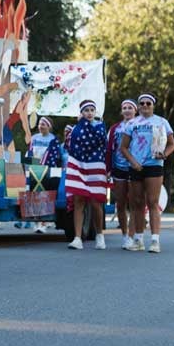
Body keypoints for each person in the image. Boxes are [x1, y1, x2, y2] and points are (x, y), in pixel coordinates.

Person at [120, 93, 174, 253]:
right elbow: (123, 147)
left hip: (154, 165)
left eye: (148, 103)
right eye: (142, 103)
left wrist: (164, 154)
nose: (145, 106)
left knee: (152, 202)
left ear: (153, 105)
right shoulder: (132, 123)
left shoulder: (162, 122)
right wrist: (133, 162)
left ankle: (155, 240)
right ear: (138, 106)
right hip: (136, 166)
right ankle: (138, 239)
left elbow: (172, 144)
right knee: (137, 203)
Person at [66, 100, 108, 250]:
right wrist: (79, 126)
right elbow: (69, 145)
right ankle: (77, 238)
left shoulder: (100, 127)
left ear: (95, 112)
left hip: (96, 166)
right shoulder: (76, 128)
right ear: (81, 113)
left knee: (96, 203)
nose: (89, 113)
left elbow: (101, 142)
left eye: (92, 110)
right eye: (86, 110)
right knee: (79, 201)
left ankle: (100, 235)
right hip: (79, 166)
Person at [106, 99, 137, 249]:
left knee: (134, 203)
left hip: (135, 167)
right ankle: (125, 235)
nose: (127, 110)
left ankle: (132, 236)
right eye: (124, 107)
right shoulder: (114, 128)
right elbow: (108, 149)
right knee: (120, 204)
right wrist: (108, 168)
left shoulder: (140, 125)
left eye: (130, 107)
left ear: (135, 110)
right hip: (118, 167)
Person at [28, 117, 57, 233]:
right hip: (35, 170)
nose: (41, 126)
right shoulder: (34, 138)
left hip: (47, 170)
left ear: (49, 126)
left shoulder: (53, 139)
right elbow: (30, 153)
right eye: (40, 124)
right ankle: (36, 221)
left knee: (45, 195)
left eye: (44, 124)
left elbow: (54, 156)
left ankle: (44, 223)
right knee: (34, 194)